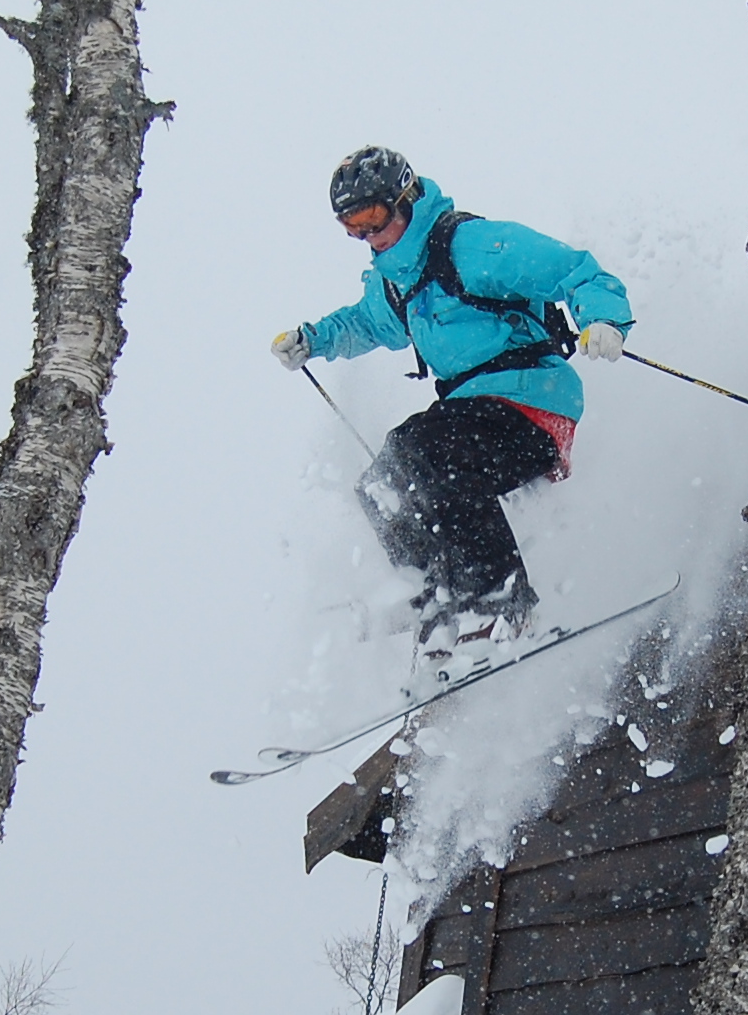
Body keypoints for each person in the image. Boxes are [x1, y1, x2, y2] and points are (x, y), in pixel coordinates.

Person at [272, 148, 635, 655]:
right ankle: (434, 590)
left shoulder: (471, 246)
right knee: (381, 481)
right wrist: (315, 339)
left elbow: (573, 270)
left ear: (405, 199)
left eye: (372, 218)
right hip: (470, 411)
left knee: (425, 450)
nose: (367, 236)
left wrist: (603, 319)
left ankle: (498, 597)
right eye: (351, 226)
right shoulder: (396, 284)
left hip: (532, 401)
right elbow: (366, 322)